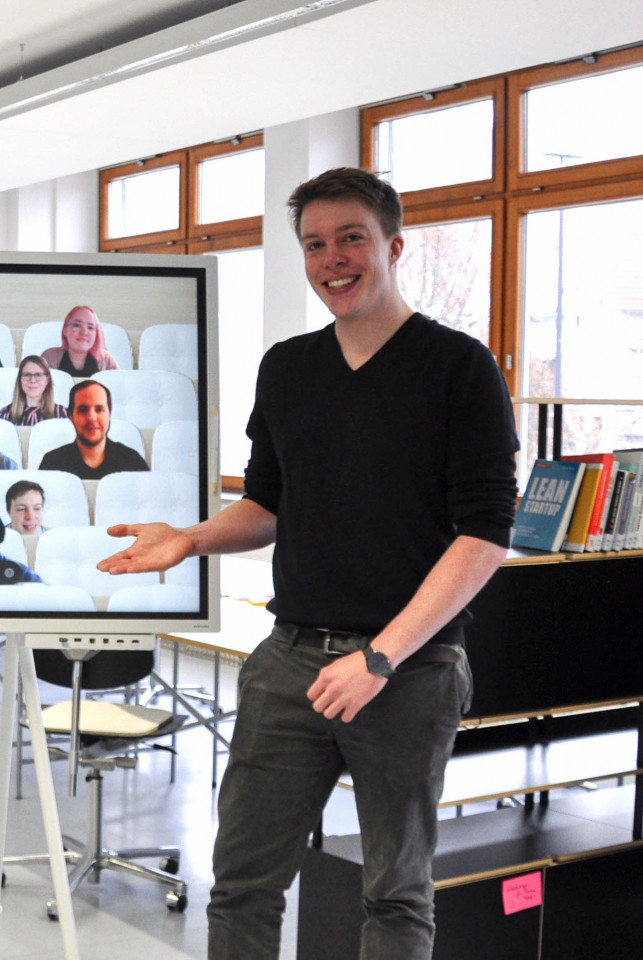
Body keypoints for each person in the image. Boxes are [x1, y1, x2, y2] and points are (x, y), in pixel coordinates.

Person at [96, 167, 518, 960]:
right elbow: (268, 507)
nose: (334, 259)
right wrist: (191, 538)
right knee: (244, 883)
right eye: (316, 245)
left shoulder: (460, 369)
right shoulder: (287, 368)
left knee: (395, 894)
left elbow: (486, 535)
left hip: (409, 672)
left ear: (393, 246)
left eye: (351, 238)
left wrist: (381, 656)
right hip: (289, 661)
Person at [37, 379, 148, 480]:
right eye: (83, 410)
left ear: (109, 414)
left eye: (99, 409)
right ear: (71, 417)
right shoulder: (52, 464)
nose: (92, 418)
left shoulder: (132, 462)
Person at [41, 305, 119, 377]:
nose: (84, 332)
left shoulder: (106, 360)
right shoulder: (49, 358)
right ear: (65, 329)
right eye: (77, 325)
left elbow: (119, 387)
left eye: (90, 327)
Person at [0, 355, 65, 426]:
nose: (32, 380)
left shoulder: (62, 414)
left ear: (47, 380)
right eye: (27, 375)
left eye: (38, 375)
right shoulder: (5, 414)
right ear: (20, 379)